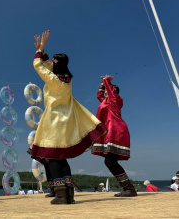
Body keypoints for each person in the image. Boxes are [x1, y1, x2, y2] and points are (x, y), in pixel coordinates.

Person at [30, 30, 107, 205]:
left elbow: (38, 65)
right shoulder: (66, 79)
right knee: (61, 156)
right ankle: (69, 194)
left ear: (57, 64)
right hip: (67, 119)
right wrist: (43, 50)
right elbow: (49, 64)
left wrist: (40, 50)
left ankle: (61, 195)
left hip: (54, 120)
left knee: (53, 156)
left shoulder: (52, 79)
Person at [91, 75, 137, 197]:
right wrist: (101, 86)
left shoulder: (116, 99)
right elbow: (99, 96)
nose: (105, 91)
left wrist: (107, 81)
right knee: (109, 161)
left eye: (107, 89)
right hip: (108, 131)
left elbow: (110, 92)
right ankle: (128, 188)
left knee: (110, 161)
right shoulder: (106, 101)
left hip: (116, 131)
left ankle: (129, 189)